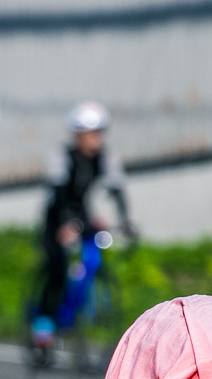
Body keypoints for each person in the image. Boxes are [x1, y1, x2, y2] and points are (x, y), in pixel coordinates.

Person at [32, 101, 135, 345]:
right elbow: (58, 193)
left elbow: (117, 189)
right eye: (92, 134)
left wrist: (125, 221)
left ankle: (78, 312)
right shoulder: (63, 157)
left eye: (100, 133)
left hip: (82, 215)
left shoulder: (104, 158)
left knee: (92, 259)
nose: (97, 139)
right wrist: (64, 224)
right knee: (56, 268)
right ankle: (43, 325)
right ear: (79, 135)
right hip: (56, 217)